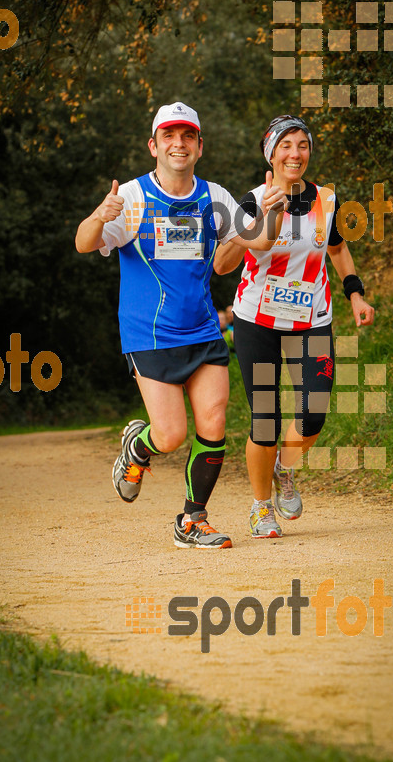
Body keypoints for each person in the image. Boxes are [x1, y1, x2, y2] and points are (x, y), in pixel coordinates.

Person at [76, 102, 287, 549]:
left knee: (214, 419)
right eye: (169, 136)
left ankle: (192, 520)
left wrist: (272, 211)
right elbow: (83, 243)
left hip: (204, 330)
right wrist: (99, 216)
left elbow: (257, 241)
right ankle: (139, 446)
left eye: (187, 136)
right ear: (153, 146)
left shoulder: (214, 197)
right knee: (170, 435)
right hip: (148, 334)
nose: (179, 144)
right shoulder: (132, 197)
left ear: (199, 147)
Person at [214, 114, 375, 538]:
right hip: (257, 320)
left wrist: (355, 294)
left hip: (311, 318)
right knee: (265, 420)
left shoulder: (327, 199)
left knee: (315, 413)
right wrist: (255, 223)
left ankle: (284, 467)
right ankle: (260, 507)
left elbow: (338, 250)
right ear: (271, 153)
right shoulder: (251, 201)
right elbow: (222, 264)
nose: (295, 153)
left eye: (302, 145)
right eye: (286, 145)